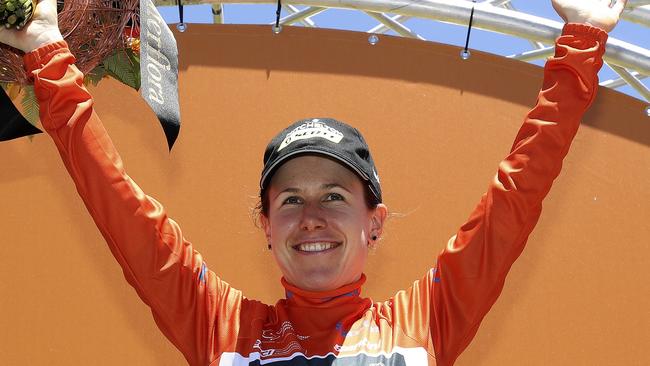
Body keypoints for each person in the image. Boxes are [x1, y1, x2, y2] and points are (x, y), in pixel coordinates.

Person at [1, 0, 628, 365]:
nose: (313, 217)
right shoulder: (222, 329)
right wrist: (47, 56)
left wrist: (582, 42)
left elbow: (515, 197)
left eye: (335, 196)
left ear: (374, 223)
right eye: (291, 199)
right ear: (265, 226)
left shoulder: (426, 321)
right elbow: (124, 212)